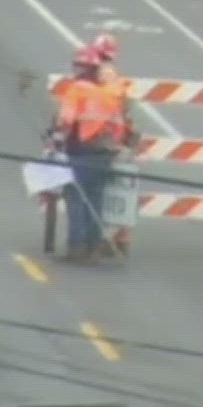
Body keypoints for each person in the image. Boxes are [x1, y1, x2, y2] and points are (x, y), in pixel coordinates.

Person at [49, 46, 128, 261]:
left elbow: (66, 121)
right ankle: (93, 246)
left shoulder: (77, 89)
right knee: (96, 198)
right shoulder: (109, 93)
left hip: (81, 151)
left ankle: (77, 246)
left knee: (76, 198)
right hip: (106, 154)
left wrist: (56, 140)